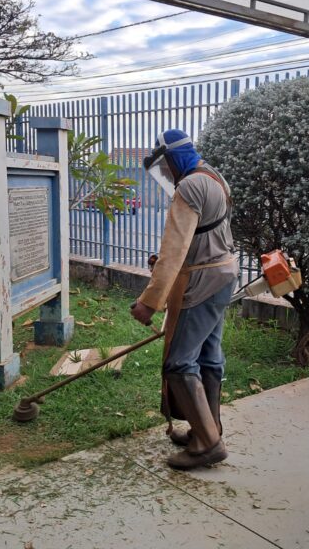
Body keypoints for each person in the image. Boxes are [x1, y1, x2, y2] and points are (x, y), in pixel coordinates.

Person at [131, 129, 238, 470]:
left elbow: (174, 249)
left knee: (179, 363)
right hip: (223, 273)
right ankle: (207, 428)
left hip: (202, 281)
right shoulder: (213, 176)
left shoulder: (190, 186)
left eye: (164, 166)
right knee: (208, 356)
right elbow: (204, 234)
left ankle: (207, 443)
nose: (165, 173)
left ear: (172, 158)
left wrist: (149, 302)